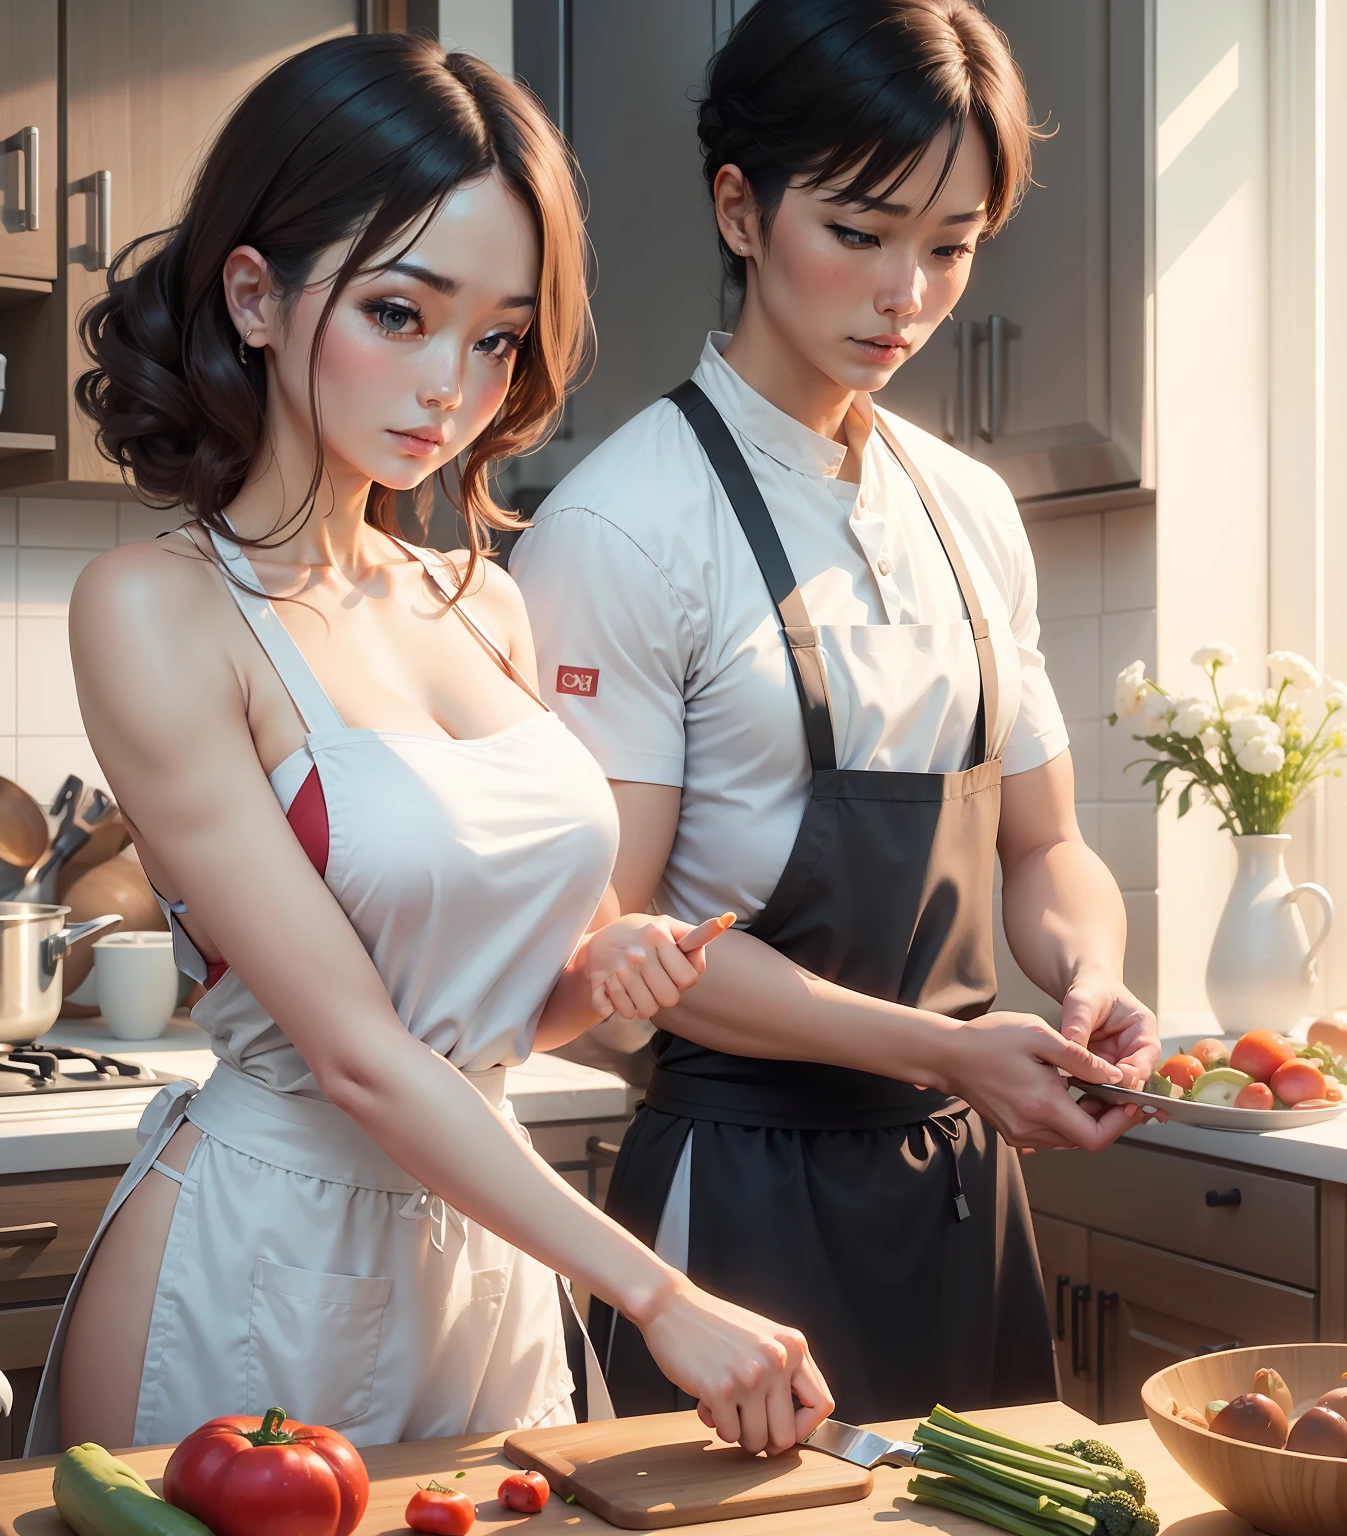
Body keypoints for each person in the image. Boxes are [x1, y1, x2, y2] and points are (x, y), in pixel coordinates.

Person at [26, 32, 832, 1458]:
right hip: (255, 1269)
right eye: (401, 312)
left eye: (497, 336)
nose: (452, 384)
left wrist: (605, 970)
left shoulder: (485, 605)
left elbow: (503, 1017)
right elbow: (355, 1056)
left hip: (488, 1264)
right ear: (256, 295)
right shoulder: (158, 608)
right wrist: (658, 1294)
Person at [509, 0, 1160, 1423]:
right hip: (741, 1196)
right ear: (740, 209)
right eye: (860, 231)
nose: (906, 294)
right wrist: (946, 1051)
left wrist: (1088, 981)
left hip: (965, 1189)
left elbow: (1043, 850)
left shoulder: (975, 510)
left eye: (951, 243)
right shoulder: (618, 528)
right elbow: (614, 946)